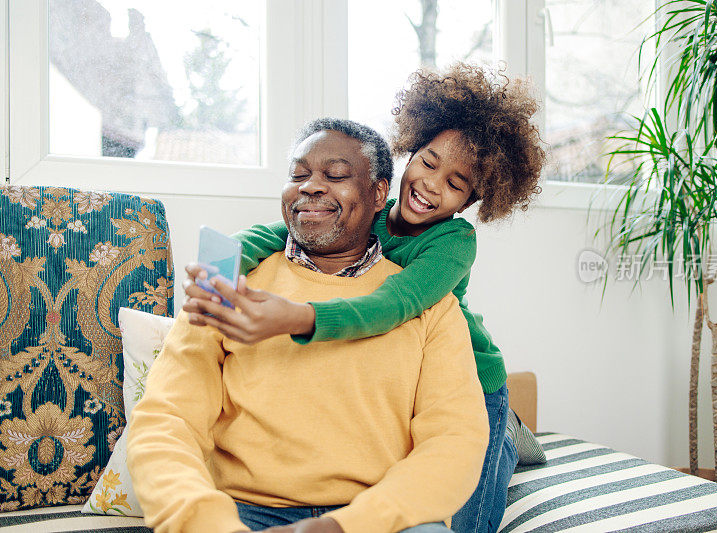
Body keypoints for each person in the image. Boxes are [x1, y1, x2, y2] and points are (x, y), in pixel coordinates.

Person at [184, 63, 546, 533]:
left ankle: (509, 436)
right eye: (428, 162)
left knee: (464, 522)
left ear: (472, 201)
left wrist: (298, 317)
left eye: (456, 183)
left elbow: (392, 304)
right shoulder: (366, 213)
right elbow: (273, 232)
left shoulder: (453, 242)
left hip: (474, 383)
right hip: (411, 377)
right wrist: (220, 266)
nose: (432, 184)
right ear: (409, 151)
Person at [128, 118, 489, 533]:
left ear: (378, 194)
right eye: (299, 175)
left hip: (377, 517)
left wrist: (343, 526)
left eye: (335, 175)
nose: (311, 186)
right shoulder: (228, 288)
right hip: (245, 512)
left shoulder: (429, 304)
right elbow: (166, 421)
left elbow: (453, 443)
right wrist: (207, 523)